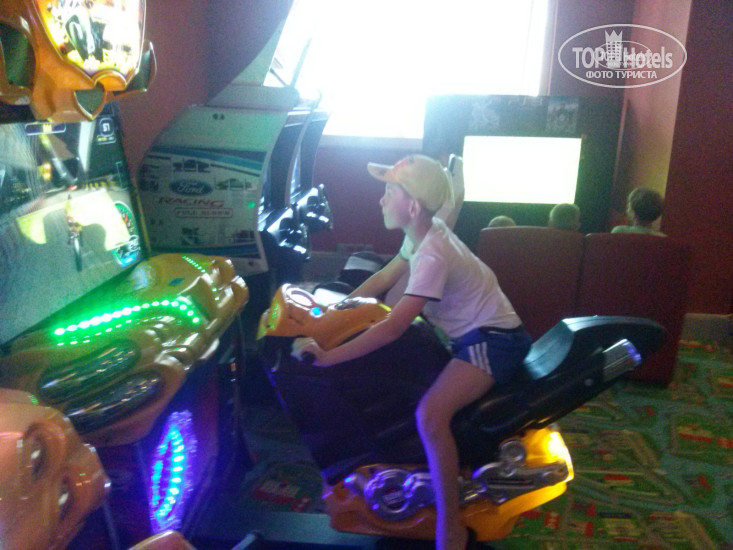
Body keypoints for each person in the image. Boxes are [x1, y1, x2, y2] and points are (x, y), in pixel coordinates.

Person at [292, 154, 531, 550]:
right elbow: (384, 276)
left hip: (493, 342)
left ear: (414, 206)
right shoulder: (420, 234)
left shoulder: (432, 253)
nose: (381, 200)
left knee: (430, 416)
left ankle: (450, 529)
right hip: (471, 336)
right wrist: (331, 313)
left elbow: (393, 327)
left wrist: (328, 356)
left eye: (390, 192)